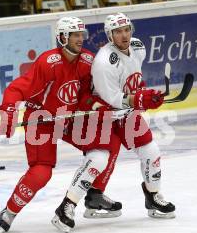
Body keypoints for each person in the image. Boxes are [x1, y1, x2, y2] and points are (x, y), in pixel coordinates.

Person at [0, 16, 122, 233]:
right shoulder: (47, 62)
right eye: (75, 35)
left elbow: (86, 96)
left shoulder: (88, 61)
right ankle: (9, 212)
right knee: (41, 172)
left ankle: (95, 194)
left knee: (111, 142)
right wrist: (9, 109)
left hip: (70, 119)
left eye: (82, 35)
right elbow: (16, 89)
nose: (81, 39)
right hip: (42, 120)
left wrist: (100, 105)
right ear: (63, 37)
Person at [61, 12, 176, 221]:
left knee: (151, 150)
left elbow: (133, 81)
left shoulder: (138, 47)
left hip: (126, 113)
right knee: (100, 159)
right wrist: (139, 99)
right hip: (102, 114)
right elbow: (112, 98)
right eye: (117, 32)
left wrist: (148, 95)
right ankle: (78, 201)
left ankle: (152, 196)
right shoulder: (104, 62)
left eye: (126, 30)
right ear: (109, 35)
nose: (124, 35)